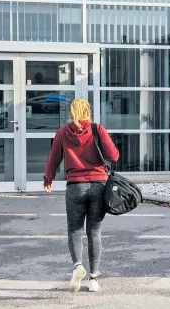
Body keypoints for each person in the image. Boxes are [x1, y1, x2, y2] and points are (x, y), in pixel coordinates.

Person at [43, 99, 120, 293]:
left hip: (75, 186)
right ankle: (93, 279)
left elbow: (54, 158)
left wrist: (48, 179)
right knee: (94, 232)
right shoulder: (98, 129)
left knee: (75, 230)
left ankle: (78, 266)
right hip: (99, 186)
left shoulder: (62, 132)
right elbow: (113, 155)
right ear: (88, 111)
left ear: (71, 112)